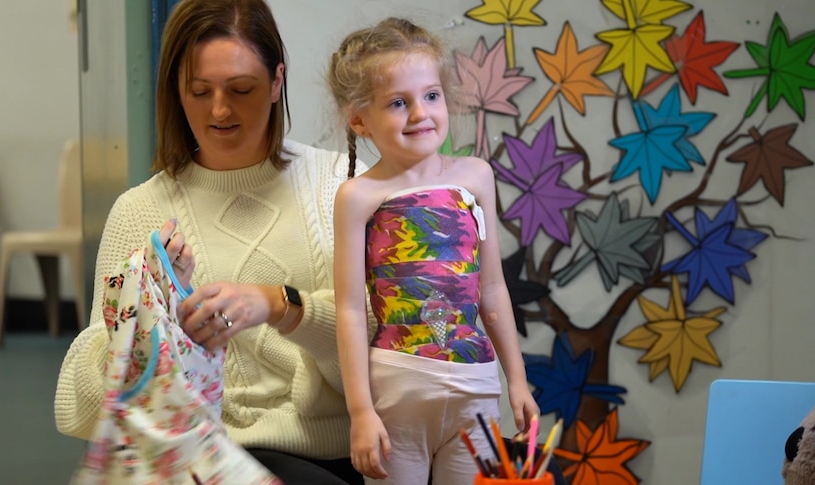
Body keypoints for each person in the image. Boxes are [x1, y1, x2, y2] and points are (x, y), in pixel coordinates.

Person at [54, 1, 367, 484]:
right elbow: (82, 403)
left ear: (277, 81)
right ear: (176, 92)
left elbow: (392, 350)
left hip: (355, 450)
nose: (220, 110)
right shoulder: (140, 211)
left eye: (241, 90)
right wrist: (149, 310)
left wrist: (282, 307)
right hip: (209, 461)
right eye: (199, 92)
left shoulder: (340, 184)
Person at [328, 17, 541, 485]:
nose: (420, 114)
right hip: (398, 389)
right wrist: (361, 411)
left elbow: (492, 289)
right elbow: (349, 310)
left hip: (477, 386)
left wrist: (517, 381)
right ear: (360, 118)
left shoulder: (476, 176)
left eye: (431, 96)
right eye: (398, 103)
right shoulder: (358, 197)